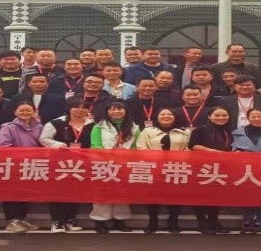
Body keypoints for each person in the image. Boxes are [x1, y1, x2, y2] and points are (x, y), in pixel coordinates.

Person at [81, 101, 138, 232]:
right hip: (103, 164)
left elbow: (136, 147)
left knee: (122, 193)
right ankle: (100, 221)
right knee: (102, 192)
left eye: (120, 109)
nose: (116, 112)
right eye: (112, 109)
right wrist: (111, 154)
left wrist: (127, 154)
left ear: (126, 111)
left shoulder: (134, 127)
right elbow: (95, 145)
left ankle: (120, 220)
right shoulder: (98, 126)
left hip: (125, 165)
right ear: (107, 112)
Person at [40, 98, 93, 233]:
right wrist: (56, 144)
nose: (80, 110)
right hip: (59, 163)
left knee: (76, 192)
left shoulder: (92, 125)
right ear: (69, 109)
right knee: (58, 191)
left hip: (81, 164)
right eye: (76, 107)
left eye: (84, 108)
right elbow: (43, 139)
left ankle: (70, 219)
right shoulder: (56, 123)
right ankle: (57, 221)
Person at [135, 108, 190, 234]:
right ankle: (153, 222)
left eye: (170, 114)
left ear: (175, 117)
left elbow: (189, 148)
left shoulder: (185, 131)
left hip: (176, 168)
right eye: (163, 114)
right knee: (152, 197)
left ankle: (173, 222)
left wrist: (177, 158)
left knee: (175, 197)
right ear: (157, 117)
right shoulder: (147, 131)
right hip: (154, 169)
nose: (166, 116)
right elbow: (141, 148)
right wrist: (157, 158)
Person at [0, 101, 44, 233]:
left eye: (28, 110)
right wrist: (21, 155)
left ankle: (22, 218)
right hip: (13, 165)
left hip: (31, 165)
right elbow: (3, 145)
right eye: (21, 110)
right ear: (15, 112)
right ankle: (12, 221)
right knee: (11, 192)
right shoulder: (8, 127)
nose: (25, 113)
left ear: (34, 112)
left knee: (25, 192)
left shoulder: (39, 127)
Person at [188, 106, 236, 234]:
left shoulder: (229, 131)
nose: (221, 118)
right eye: (217, 115)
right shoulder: (200, 130)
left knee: (218, 196)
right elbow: (192, 145)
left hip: (222, 168)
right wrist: (213, 152)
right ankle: (202, 222)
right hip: (202, 167)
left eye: (224, 115)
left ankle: (214, 221)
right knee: (201, 196)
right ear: (209, 116)